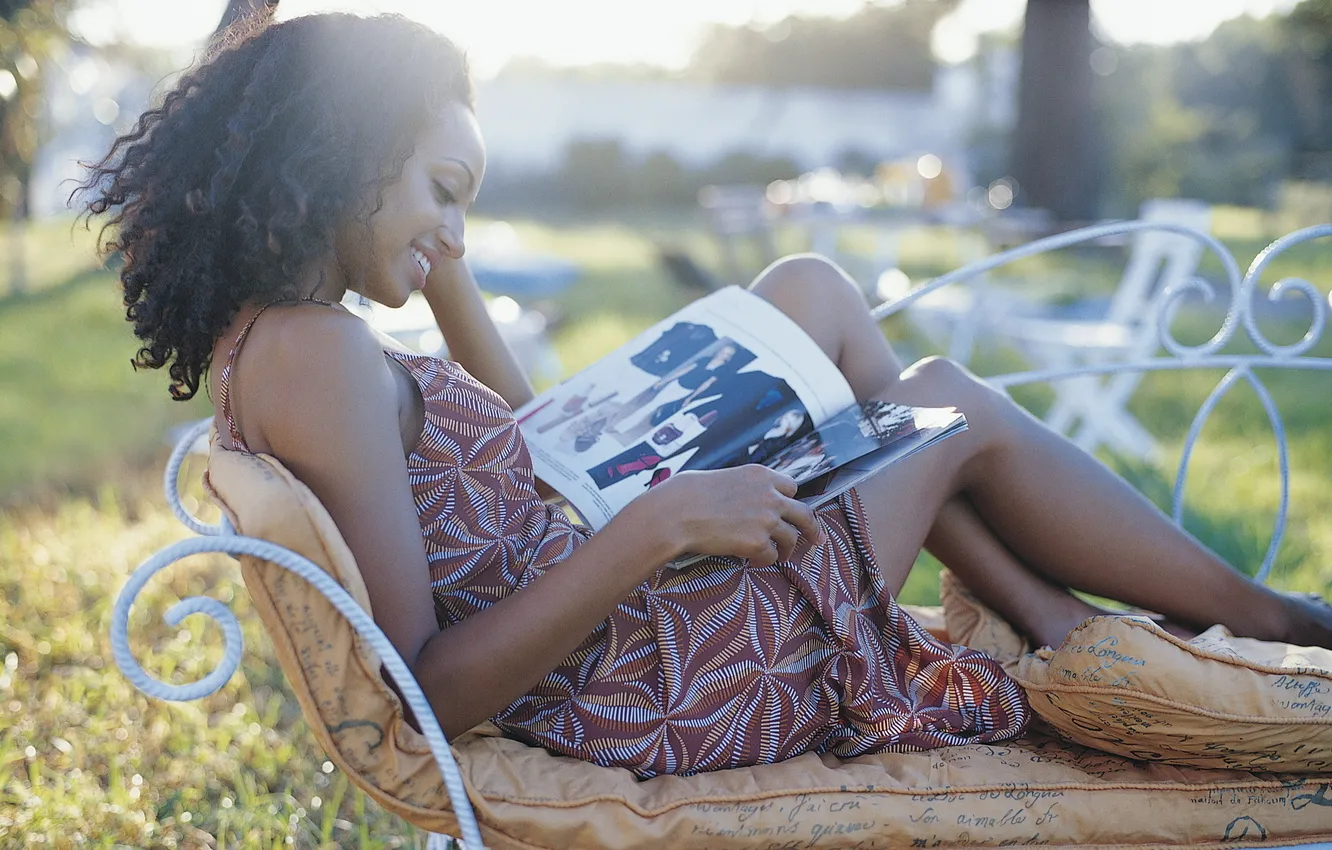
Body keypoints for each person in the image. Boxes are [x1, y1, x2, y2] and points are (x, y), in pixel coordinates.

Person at [81, 12, 1332, 780]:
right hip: (653, 683)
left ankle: (1042, 619)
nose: (456, 226)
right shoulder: (321, 355)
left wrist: (446, 282)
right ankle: (1230, 619)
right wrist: (665, 525)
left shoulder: (295, 339)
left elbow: (520, 464)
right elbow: (425, 688)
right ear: (346, 162)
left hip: (613, 615)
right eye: (445, 189)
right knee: (936, 401)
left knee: (814, 292)